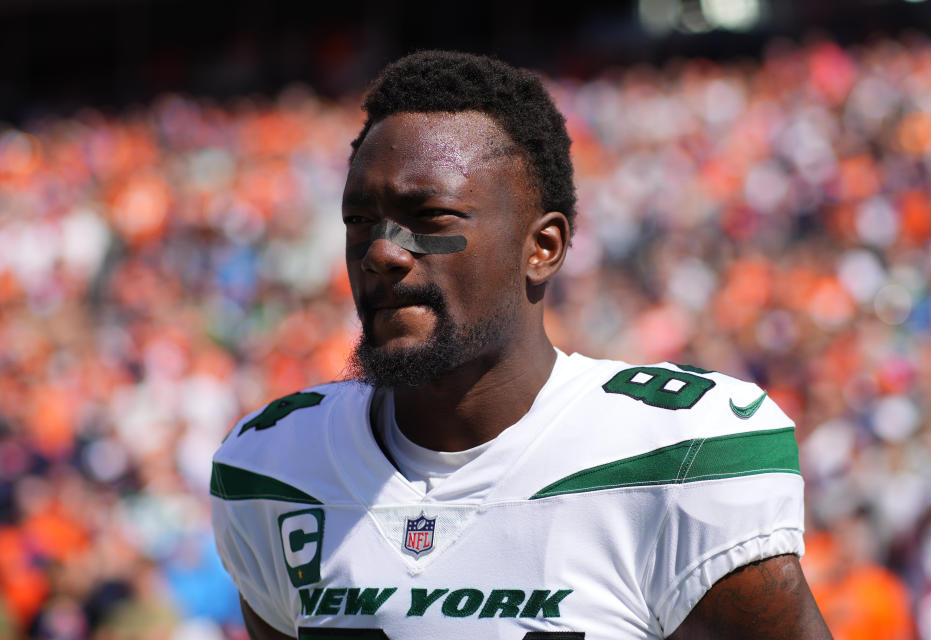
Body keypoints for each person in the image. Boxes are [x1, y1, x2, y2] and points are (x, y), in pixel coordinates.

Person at [210, 50, 833, 639]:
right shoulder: (274, 470)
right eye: (359, 222)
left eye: (430, 219)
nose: (381, 252)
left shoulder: (675, 458)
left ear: (543, 248)